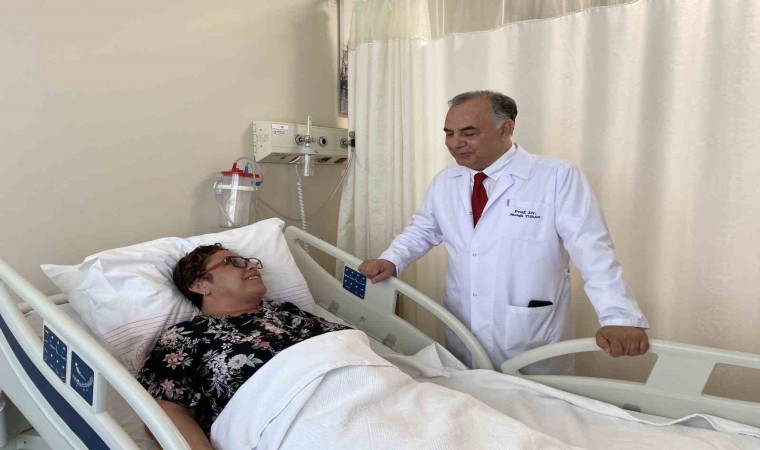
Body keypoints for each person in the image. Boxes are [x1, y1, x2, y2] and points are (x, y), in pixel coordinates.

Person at [359, 90, 650, 374]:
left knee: (534, 401)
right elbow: (424, 229)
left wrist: (619, 316)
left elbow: (592, 248)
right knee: (468, 395)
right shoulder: (446, 180)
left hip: (529, 333)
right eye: (449, 133)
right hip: (464, 325)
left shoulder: (556, 176)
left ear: (505, 129)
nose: (455, 143)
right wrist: (392, 259)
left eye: (468, 133)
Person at [137, 243, 349, 449]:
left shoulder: (286, 310)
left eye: (249, 261)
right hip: (297, 426)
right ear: (200, 285)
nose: (252, 265)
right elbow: (166, 411)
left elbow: (345, 348)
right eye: (233, 262)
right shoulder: (186, 336)